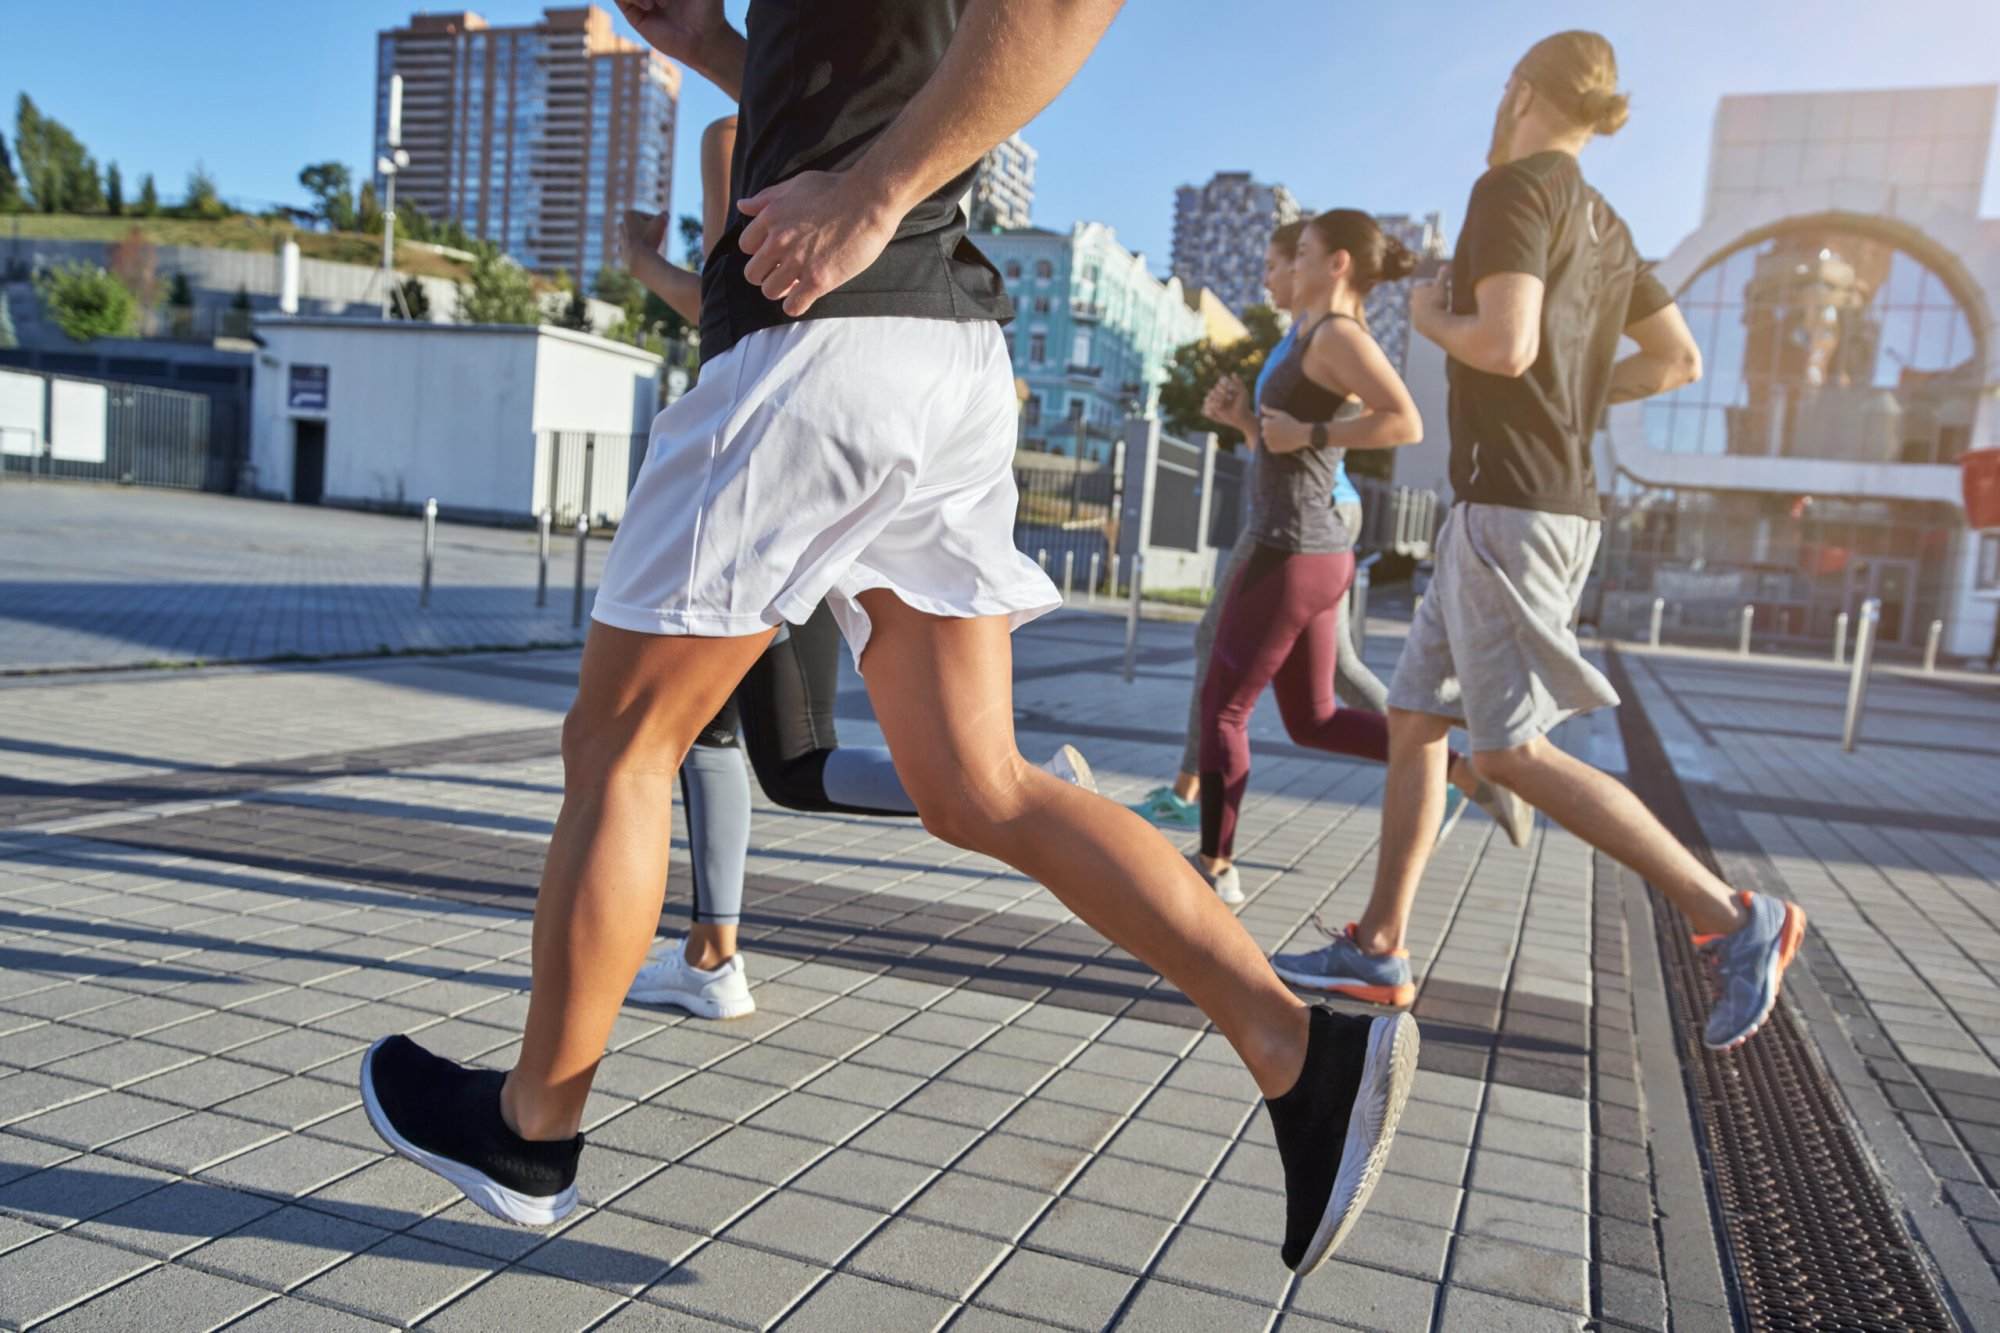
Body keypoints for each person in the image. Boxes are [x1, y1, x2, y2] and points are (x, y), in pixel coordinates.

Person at [358, 0, 1417, 1280]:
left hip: (823, 345)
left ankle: (531, 1129)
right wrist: (712, 49)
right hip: (928, 343)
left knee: (627, 743)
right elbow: (883, 67)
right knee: (978, 786)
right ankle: (1303, 1053)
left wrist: (870, 192)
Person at [1272, 32, 1805, 1052]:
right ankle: (1378, 946)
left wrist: (1430, 319)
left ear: (1518, 90)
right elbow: (1677, 358)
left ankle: (1735, 917)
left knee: (1510, 751)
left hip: (1514, 506)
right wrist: (1573, 391)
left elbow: (1505, 344)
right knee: (1416, 719)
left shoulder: (1510, 188)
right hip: (1519, 501)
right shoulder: (1603, 221)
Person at [616, 119, 1097, 1021]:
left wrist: (640, 264)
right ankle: (712, 953)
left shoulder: (739, 130)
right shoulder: (893, 101)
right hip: (900, 407)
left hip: (780, 437)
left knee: (649, 744)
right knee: (781, 756)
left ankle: (686, 980)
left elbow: (734, 303)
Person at [1132, 221, 1530, 875]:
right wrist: (1245, 425)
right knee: (1313, 719)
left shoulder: (1338, 336)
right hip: (1308, 550)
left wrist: (1312, 429)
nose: (1285, 271)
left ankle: (1214, 867)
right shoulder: (1308, 335)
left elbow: (1406, 420)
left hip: (1289, 551)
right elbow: (1288, 455)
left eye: (1303, 256)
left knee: (1223, 708)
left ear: (1337, 264)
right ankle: (1464, 771)